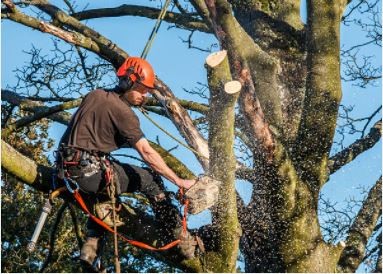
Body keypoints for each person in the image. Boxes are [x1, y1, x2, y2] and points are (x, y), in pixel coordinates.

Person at [57, 57, 197, 268]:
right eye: (142, 89)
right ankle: (180, 239)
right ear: (129, 82)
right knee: (150, 179)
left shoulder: (95, 96)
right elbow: (146, 152)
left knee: (104, 199)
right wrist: (179, 181)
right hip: (89, 173)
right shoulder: (124, 113)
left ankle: (91, 247)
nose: (145, 95)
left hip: (65, 171)